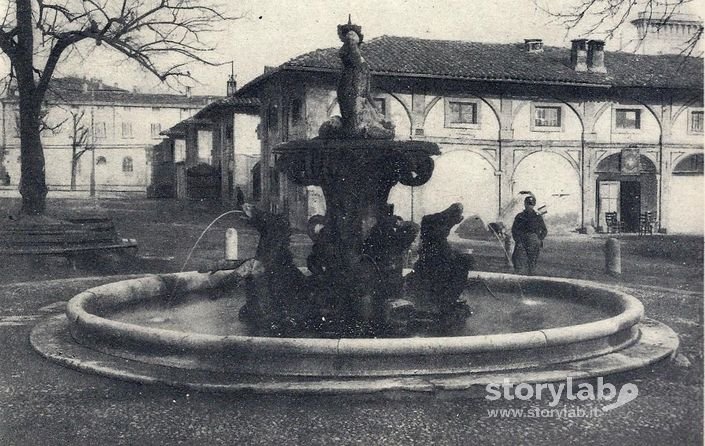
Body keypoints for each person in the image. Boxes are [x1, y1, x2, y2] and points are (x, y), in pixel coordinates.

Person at [511, 195, 548, 275]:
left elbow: (544, 230)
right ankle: (518, 275)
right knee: (516, 258)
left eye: (531, 204)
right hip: (522, 239)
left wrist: (539, 239)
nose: (529, 206)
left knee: (532, 260)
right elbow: (514, 229)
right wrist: (517, 240)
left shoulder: (537, 217)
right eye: (528, 204)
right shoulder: (520, 216)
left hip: (533, 240)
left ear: (534, 205)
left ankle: (531, 276)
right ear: (524, 204)